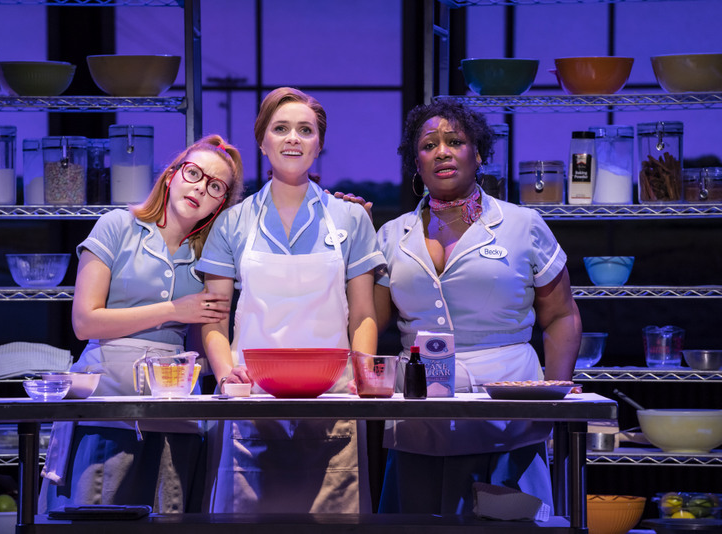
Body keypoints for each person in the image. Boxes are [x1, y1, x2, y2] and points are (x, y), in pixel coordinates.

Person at [374, 100, 582, 514]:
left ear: (479, 153)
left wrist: (554, 397)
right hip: (421, 412)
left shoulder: (522, 225)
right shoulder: (391, 235)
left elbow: (561, 315)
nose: (442, 152)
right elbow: (369, 320)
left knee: (507, 523)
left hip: (508, 410)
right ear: (416, 161)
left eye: (455, 141)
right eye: (428, 145)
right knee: (416, 522)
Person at [196, 87, 385, 513]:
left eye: (306, 130)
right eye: (280, 129)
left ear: (319, 144)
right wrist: (226, 376)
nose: (293, 138)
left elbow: (363, 314)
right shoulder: (232, 222)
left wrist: (362, 374)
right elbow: (214, 318)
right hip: (252, 399)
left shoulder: (351, 217)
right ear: (262, 142)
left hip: (334, 399)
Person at [39, 134, 244, 514]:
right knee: (95, 517)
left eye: (216, 186)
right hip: (107, 405)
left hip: (175, 409)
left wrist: (225, 372)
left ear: (221, 204)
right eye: (194, 173)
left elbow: (208, 335)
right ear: (171, 175)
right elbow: (84, 322)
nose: (201, 187)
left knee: (169, 517)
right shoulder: (118, 225)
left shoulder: (210, 255)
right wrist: (172, 310)